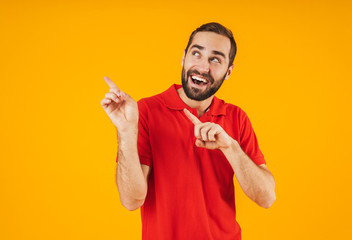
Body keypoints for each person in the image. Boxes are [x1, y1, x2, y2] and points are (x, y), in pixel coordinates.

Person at [101, 22, 276, 240]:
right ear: (183, 58)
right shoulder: (145, 111)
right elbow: (131, 200)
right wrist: (126, 132)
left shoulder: (237, 117)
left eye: (215, 59)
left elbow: (266, 197)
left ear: (228, 71)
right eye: (197, 54)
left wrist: (231, 147)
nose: (203, 67)